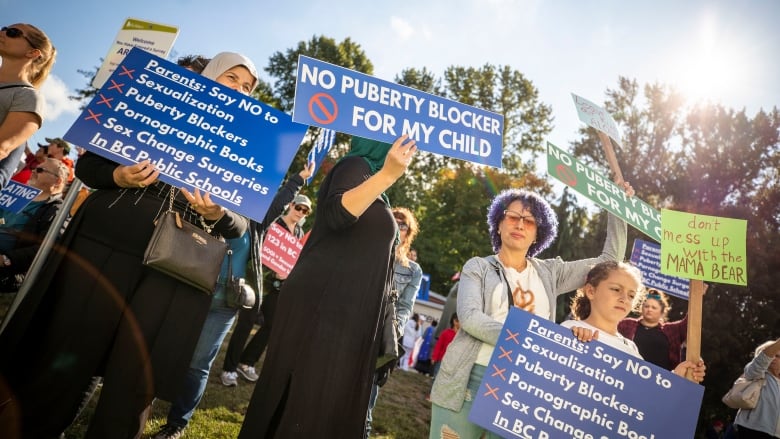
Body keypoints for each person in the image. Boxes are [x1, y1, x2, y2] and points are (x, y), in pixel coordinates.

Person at [0, 52, 256, 439]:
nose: (238, 88)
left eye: (247, 87)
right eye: (231, 78)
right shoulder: (148, 112)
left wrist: (218, 212)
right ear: (206, 76)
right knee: (67, 358)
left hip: (170, 274)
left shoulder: (242, 145)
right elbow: (87, 169)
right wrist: (118, 175)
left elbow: (240, 223)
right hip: (101, 251)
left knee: (134, 381)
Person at [237, 134, 417, 438]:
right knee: (308, 399)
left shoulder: (376, 188)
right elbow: (336, 214)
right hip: (324, 308)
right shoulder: (354, 165)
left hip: (345, 313)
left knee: (323, 401)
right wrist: (388, 174)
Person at [429, 184, 632, 438]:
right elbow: (470, 319)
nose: (520, 225)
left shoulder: (550, 273)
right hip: (470, 379)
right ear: (499, 225)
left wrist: (619, 208)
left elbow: (609, 263)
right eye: (512, 217)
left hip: (523, 388)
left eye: (529, 221)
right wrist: (532, 340)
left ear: (538, 233)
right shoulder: (478, 267)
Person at [221, 190, 314, 387]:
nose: (300, 212)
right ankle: (229, 369)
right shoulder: (275, 223)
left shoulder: (298, 233)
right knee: (246, 323)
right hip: (256, 281)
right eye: (298, 207)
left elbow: (291, 258)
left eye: (305, 211)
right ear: (291, 205)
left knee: (273, 324)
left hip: (276, 286)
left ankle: (247, 362)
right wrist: (273, 268)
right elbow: (261, 249)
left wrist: (285, 271)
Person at [562, 260, 706, 380]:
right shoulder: (570, 329)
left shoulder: (631, 349)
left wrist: (678, 376)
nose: (624, 299)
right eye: (616, 289)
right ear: (591, 291)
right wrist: (572, 343)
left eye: (631, 295)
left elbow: (643, 392)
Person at [366, 206, 422, 437]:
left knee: (365, 402)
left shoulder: (413, 271)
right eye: (393, 220)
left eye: (403, 224)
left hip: (379, 338)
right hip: (350, 329)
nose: (398, 226)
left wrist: (391, 330)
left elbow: (405, 307)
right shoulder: (365, 251)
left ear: (408, 233)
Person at [0, 23, 56, 189]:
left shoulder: (28, 97)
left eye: (12, 32)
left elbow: (2, 148)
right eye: (4, 28)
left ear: (32, 52)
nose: (3, 33)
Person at [0, 157, 68, 292]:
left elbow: (49, 248)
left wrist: (6, 259)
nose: (33, 171)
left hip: (7, 271)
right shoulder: (15, 194)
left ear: (58, 181)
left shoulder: (57, 211)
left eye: (40, 170)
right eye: (35, 168)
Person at [618, 289, 688, 370]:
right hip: (628, 372)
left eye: (654, 307)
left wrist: (698, 294)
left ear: (662, 312)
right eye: (646, 306)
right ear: (641, 308)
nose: (649, 309)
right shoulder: (626, 324)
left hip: (660, 379)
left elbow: (690, 322)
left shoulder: (672, 330)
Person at [733, 338, 780, 438]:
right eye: (771, 355)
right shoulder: (756, 372)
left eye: (778, 356)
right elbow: (761, 361)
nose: (773, 358)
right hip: (752, 430)